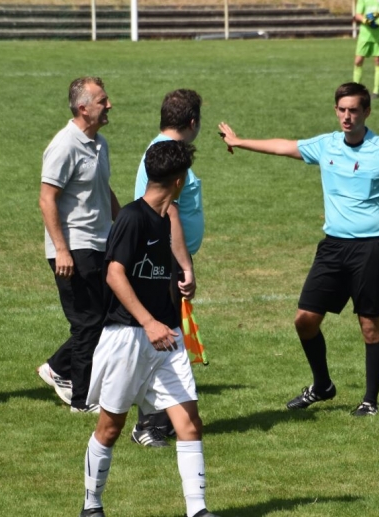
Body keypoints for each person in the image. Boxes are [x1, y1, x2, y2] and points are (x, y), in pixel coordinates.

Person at [218, 82, 379, 417]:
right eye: (342, 110)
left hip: (369, 249)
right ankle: (322, 385)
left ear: (367, 111)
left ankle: (370, 400)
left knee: (370, 327)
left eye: (353, 110)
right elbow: (285, 147)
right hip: (332, 247)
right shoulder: (327, 145)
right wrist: (240, 141)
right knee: (305, 320)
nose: (347, 116)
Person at [79, 140, 219, 517]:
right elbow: (114, 274)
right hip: (127, 337)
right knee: (110, 427)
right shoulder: (132, 218)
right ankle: (91, 505)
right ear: (179, 180)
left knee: (189, 422)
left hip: (167, 337)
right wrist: (148, 321)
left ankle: (197, 510)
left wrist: (186, 275)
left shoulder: (166, 215)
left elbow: (172, 250)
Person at [38, 76, 120, 413]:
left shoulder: (99, 143)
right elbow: (47, 199)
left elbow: (103, 189)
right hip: (74, 246)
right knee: (88, 323)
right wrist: (61, 249)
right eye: (102, 101)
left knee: (104, 318)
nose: (109, 105)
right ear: (83, 108)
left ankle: (58, 367)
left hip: (100, 244)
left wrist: (124, 224)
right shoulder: (64, 145)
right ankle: (82, 400)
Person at [129, 89, 201, 448]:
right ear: (193, 122)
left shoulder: (164, 150)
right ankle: (149, 424)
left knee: (168, 341)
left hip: (164, 259)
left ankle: (164, 420)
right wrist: (184, 265)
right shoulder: (164, 155)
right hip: (163, 262)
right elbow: (166, 210)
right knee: (161, 342)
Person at [352, 0, 379, 98]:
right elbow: (357, 15)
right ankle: (354, 90)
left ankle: (376, 91)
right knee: (358, 61)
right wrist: (366, 21)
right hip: (365, 34)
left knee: (378, 60)